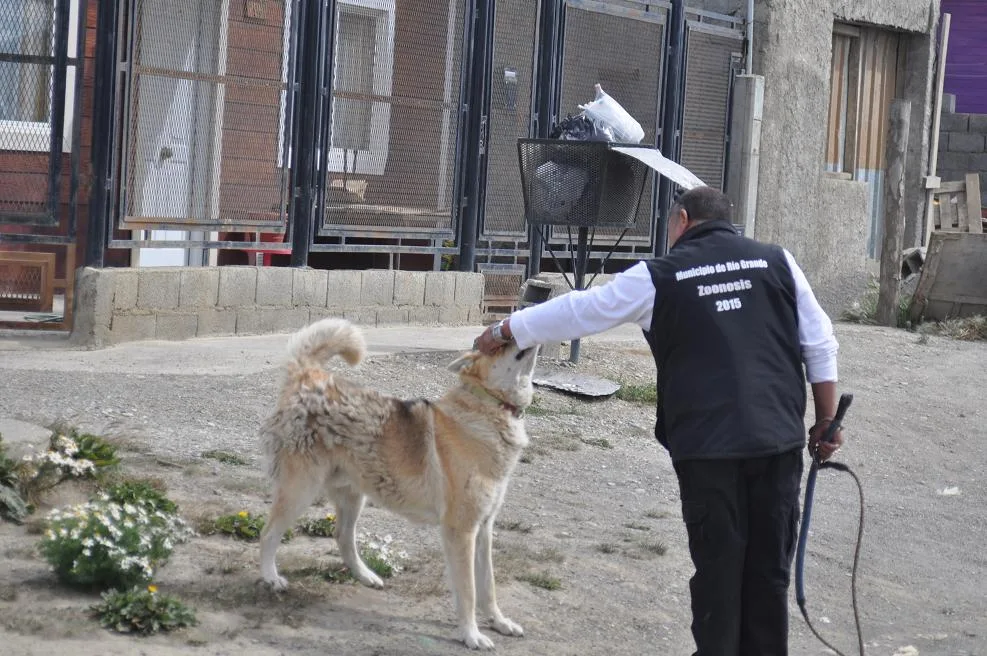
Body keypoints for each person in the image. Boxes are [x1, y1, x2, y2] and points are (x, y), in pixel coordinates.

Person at [473, 185, 843, 656]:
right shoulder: (777, 261)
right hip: (777, 440)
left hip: (708, 446)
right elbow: (820, 342)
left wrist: (508, 328)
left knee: (718, 565)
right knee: (769, 566)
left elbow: (582, 311)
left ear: (682, 220)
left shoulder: (659, 275)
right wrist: (827, 420)